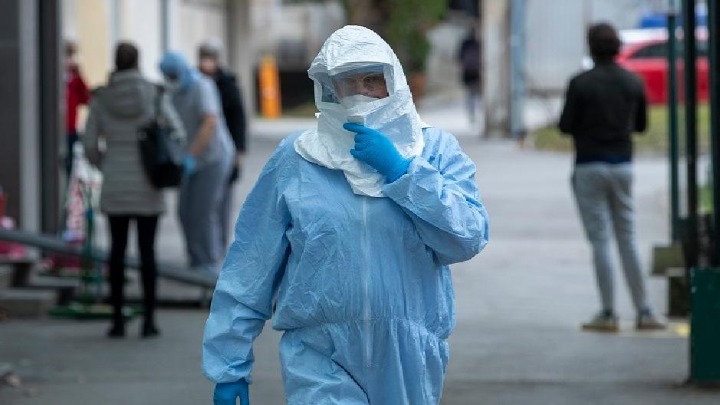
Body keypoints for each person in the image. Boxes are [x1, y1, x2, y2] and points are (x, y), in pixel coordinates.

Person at [203, 25, 489, 404]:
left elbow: (467, 237)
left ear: (394, 80)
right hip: (320, 355)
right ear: (329, 89)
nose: (361, 94)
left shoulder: (434, 150)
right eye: (348, 83)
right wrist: (229, 362)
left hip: (409, 356)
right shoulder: (298, 158)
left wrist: (403, 173)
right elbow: (251, 265)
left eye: (372, 80)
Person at [558, 22, 665, 332]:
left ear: (591, 48)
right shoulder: (633, 82)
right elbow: (641, 125)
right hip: (623, 166)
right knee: (627, 238)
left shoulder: (580, 83)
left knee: (601, 241)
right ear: (618, 48)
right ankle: (644, 311)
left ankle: (608, 312)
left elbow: (565, 125)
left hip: (588, 165)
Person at [84, 42, 185, 338]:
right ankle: (149, 321)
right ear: (138, 62)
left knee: (116, 252)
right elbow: (179, 132)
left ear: (115, 62)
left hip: (115, 181)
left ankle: (117, 321)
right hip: (148, 184)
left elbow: (89, 144)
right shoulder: (154, 94)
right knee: (147, 252)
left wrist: (105, 164)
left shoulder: (101, 98)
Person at [159, 52, 235, 274]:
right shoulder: (174, 93)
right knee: (185, 211)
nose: (171, 79)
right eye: (167, 76)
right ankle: (195, 259)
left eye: (173, 75)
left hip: (213, 158)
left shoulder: (202, 86)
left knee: (203, 211)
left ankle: (209, 262)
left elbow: (209, 122)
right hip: (189, 160)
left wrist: (191, 155)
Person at [197, 41, 247, 249]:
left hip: (225, 149)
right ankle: (207, 247)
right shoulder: (195, 82)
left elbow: (238, 120)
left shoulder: (228, 84)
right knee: (203, 205)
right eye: (204, 57)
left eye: (210, 57)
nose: (207, 62)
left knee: (223, 202)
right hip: (201, 149)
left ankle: (220, 245)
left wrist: (239, 153)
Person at [65, 40, 91, 177]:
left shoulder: (74, 79)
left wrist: (79, 76)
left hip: (71, 128)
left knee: (70, 165)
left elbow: (86, 99)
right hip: (59, 129)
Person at [457, 26, 482, 127]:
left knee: (470, 94)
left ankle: (472, 114)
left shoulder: (464, 44)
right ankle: (478, 113)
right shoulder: (478, 43)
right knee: (478, 94)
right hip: (477, 72)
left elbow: (459, 57)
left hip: (467, 72)